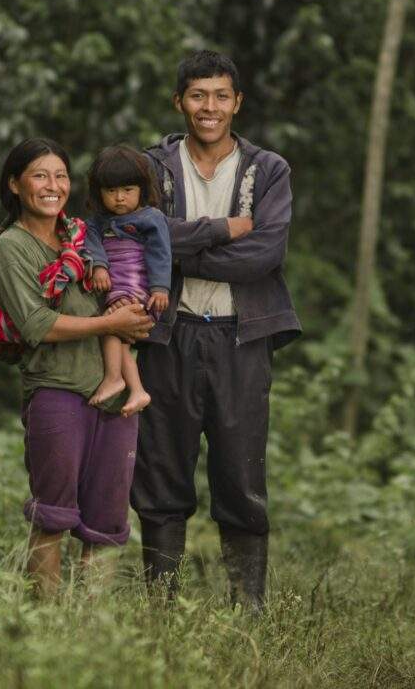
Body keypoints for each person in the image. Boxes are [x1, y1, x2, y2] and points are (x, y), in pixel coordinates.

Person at [132, 50, 301, 611]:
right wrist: (223, 230)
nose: (210, 107)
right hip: (167, 335)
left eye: (221, 96)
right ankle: (160, 612)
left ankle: (247, 613)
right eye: (198, 95)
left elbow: (265, 254)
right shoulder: (151, 167)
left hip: (240, 338)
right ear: (179, 101)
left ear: (237, 103)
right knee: (160, 473)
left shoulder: (268, 170)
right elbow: (134, 237)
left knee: (241, 475)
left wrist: (177, 248)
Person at [0, 137, 155, 596]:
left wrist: (135, 313)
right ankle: (47, 625)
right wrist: (111, 322)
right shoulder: (11, 248)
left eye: (60, 176)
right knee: (53, 516)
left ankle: (89, 628)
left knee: (107, 526)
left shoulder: (83, 236)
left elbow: (127, 280)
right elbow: (36, 324)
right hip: (57, 391)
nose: (52, 185)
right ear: (15, 184)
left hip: (117, 401)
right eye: (40, 175)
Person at [84, 144, 171, 416]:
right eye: (111, 191)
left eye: (127, 190)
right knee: (118, 337)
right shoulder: (97, 221)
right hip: (114, 286)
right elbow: (91, 243)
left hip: (136, 287)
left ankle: (113, 378)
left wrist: (160, 288)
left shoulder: (151, 218)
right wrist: (99, 267)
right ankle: (137, 390)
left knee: (111, 324)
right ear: (99, 192)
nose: (119, 198)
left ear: (142, 189)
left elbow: (160, 253)